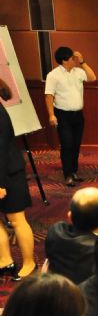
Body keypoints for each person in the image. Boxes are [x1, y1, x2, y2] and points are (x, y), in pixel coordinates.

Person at [44, 46, 96, 186]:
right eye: (72, 58)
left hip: (78, 115)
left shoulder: (78, 71)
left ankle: (74, 172)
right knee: (67, 144)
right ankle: (68, 174)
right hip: (62, 115)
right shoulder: (53, 75)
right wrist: (51, 115)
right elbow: (49, 96)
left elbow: (92, 77)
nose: (75, 60)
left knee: (76, 145)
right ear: (64, 60)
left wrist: (83, 61)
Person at [0, 85, 36, 280]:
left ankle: (30, 262)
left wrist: (0, 183)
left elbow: (1, 151)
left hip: (8, 174)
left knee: (16, 220)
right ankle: (5, 260)